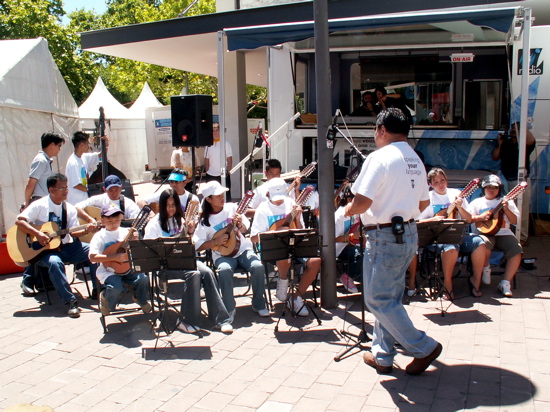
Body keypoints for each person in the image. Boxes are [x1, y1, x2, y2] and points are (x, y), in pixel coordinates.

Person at [345, 108, 442, 375]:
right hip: (409, 233)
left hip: (384, 236)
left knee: (377, 300)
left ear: (381, 129)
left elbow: (362, 201)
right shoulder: (415, 159)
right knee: (390, 298)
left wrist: (349, 210)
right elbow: (424, 203)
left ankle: (423, 346)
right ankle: (383, 355)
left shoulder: (379, 158)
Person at [143, 189, 233, 333]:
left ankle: (221, 319)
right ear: (161, 206)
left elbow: (191, 245)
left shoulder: (181, 220)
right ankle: (186, 320)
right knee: (194, 274)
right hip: (165, 266)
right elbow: (149, 250)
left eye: (174, 205)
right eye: (167, 205)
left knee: (208, 272)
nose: (171, 208)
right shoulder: (154, 224)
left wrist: (190, 232)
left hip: (185, 261)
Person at [16, 173, 98, 317]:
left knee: (94, 250)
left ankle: (98, 291)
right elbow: (20, 221)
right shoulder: (40, 205)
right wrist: (39, 233)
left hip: (66, 247)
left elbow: (73, 233)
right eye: (61, 188)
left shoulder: (70, 208)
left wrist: (86, 230)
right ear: (51, 190)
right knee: (54, 262)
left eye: (66, 188)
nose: (66, 191)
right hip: (45, 251)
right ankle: (70, 302)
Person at [194, 181, 269, 320]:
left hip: (243, 249)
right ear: (209, 199)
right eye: (218, 195)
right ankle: (229, 308)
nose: (222, 197)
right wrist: (214, 242)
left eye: (223, 194)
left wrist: (240, 224)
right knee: (224, 270)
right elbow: (197, 244)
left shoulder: (233, 208)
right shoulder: (205, 221)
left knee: (258, 266)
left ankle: (259, 304)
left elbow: (245, 229)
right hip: (222, 255)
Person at [407, 168, 487, 298]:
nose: (440, 184)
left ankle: (476, 280)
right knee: (451, 247)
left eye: (442, 180)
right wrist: (434, 219)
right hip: (436, 238)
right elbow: (418, 221)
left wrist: (460, 207)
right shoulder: (428, 198)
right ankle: (447, 283)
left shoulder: (457, 194)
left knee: (480, 243)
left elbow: (468, 220)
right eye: (436, 182)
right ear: (431, 184)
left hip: (458, 234)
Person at [250, 178, 321, 316]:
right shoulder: (262, 209)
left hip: (295, 245)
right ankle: (283, 281)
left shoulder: (291, 204)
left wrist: (298, 218)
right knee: (283, 252)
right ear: (268, 194)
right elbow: (253, 237)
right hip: (272, 250)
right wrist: (273, 233)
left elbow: (301, 231)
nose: (279, 201)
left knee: (315, 261)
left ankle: (297, 297)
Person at [20, 132, 65, 294]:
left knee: (44, 243)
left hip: (46, 203)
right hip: (38, 203)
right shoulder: (40, 161)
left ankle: (40, 280)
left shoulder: (46, 160)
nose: (59, 150)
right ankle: (28, 279)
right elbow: (31, 184)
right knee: (37, 244)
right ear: (51, 145)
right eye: (59, 146)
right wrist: (27, 205)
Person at [89, 204, 151, 318]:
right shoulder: (100, 236)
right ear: (102, 220)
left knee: (143, 279)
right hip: (108, 270)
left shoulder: (126, 232)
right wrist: (113, 257)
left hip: (127, 267)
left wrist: (135, 241)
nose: (113, 223)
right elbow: (92, 257)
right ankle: (106, 297)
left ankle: (140, 299)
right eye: (109, 220)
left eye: (117, 220)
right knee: (116, 286)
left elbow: (137, 252)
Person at [468, 174, 522, 297]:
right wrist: (480, 217)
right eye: (488, 187)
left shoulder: (507, 201)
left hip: (503, 233)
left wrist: (507, 209)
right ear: (483, 188)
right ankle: (486, 267)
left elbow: (515, 221)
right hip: (484, 233)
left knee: (517, 249)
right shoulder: (477, 202)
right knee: (484, 245)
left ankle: (505, 282)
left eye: (495, 187)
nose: (491, 190)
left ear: (499, 188)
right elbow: (468, 219)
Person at [491, 122, 536, 244]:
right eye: (512, 128)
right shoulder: (506, 143)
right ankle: (508, 233)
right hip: (506, 179)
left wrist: (522, 129)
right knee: (507, 208)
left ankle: (522, 237)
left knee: (523, 209)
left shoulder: (524, 144)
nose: (512, 131)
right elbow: (495, 156)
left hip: (520, 180)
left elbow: (532, 140)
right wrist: (500, 144)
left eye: (515, 129)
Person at [76, 174, 140, 223]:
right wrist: (89, 219)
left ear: (121, 188)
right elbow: (77, 207)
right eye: (111, 190)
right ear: (104, 190)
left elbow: (136, 221)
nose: (114, 193)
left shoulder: (129, 204)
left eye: (116, 190)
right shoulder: (98, 199)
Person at [65, 131, 106, 205]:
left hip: (85, 201)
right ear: (81, 145)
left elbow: (100, 155)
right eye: (88, 143)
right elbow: (76, 184)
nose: (89, 146)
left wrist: (105, 144)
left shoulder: (84, 157)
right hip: (77, 203)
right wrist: (93, 190)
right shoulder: (73, 162)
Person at [334, 186, 361, 293]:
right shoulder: (339, 216)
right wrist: (351, 237)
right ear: (350, 200)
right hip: (340, 248)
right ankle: (347, 276)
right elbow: (333, 239)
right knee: (361, 255)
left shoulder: (359, 212)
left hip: (355, 244)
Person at [204, 123, 232, 200]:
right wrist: (207, 171)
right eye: (213, 131)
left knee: (226, 194)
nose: (215, 132)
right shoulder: (208, 144)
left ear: (219, 131)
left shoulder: (225, 143)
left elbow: (229, 158)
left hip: (222, 174)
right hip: (211, 174)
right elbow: (207, 159)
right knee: (211, 195)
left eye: (217, 130)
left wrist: (229, 171)